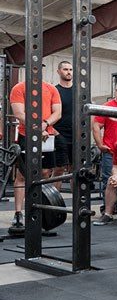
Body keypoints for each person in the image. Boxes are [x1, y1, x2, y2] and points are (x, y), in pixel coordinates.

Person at [9, 79, 62, 227]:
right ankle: (18, 213)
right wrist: (38, 128)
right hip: (26, 135)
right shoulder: (19, 88)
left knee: (45, 173)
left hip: (47, 136)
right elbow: (20, 114)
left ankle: (39, 210)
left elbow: (57, 113)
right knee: (22, 175)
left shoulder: (51, 88)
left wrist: (45, 124)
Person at [92, 80, 117, 219]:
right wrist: (99, 144)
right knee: (109, 180)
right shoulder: (108, 107)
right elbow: (96, 125)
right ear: (116, 91)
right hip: (111, 151)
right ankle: (107, 208)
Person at [52, 61, 74, 191]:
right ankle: (55, 200)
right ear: (59, 71)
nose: (69, 72)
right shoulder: (55, 91)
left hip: (76, 135)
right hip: (59, 134)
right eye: (65, 69)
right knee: (59, 169)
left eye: (70, 69)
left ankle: (78, 203)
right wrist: (53, 131)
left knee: (75, 171)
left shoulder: (79, 91)